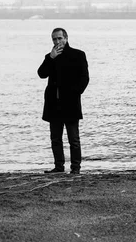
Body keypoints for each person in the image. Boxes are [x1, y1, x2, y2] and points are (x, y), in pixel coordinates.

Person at [37, 27, 89, 174]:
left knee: (74, 139)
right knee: (55, 139)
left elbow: (84, 78)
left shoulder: (78, 55)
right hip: (53, 104)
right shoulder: (50, 56)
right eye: (54, 39)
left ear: (66, 38)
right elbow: (41, 74)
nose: (57, 41)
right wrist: (50, 58)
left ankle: (76, 169)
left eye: (60, 38)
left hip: (71, 104)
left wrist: (75, 93)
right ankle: (59, 167)